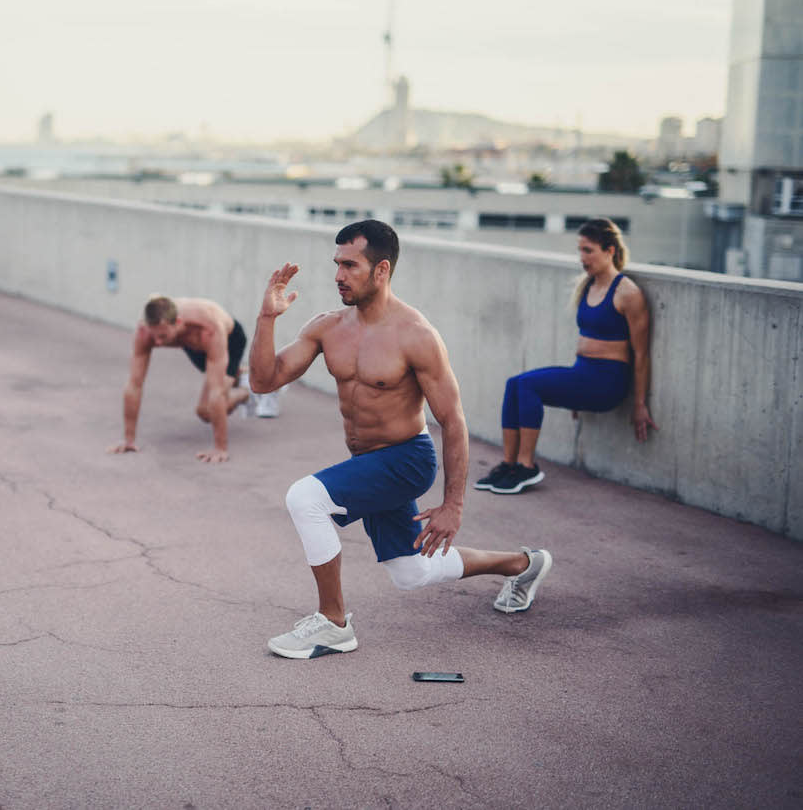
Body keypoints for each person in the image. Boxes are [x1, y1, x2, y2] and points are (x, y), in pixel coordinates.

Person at [250, 220, 553, 659]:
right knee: (411, 572)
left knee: (305, 498)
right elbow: (263, 381)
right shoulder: (327, 327)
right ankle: (525, 564)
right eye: (336, 264)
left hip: (407, 460)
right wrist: (266, 318)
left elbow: (452, 421)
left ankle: (334, 624)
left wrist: (453, 506)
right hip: (368, 462)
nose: (338, 275)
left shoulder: (416, 335)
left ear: (381, 270)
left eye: (350, 265)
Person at [475, 218, 657, 495]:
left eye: (589, 250)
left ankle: (526, 467)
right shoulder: (588, 286)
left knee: (526, 385)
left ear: (610, 251)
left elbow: (641, 354)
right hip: (582, 375)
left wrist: (640, 403)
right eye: (580, 250)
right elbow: (586, 340)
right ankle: (509, 465)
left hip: (607, 383)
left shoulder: (628, 293)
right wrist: (572, 390)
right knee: (514, 383)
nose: (582, 258)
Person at [109, 295, 274, 463]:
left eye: (163, 336)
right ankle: (243, 377)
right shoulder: (145, 331)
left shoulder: (208, 329)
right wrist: (128, 439)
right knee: (214, 394)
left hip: (230, 339)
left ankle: (248, 391)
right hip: (192, 345)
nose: (158, 343)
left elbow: (216, 391)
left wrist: (220, 448)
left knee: (207, 410)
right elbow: (134, 385)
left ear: (178, 322)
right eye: (155, 337)